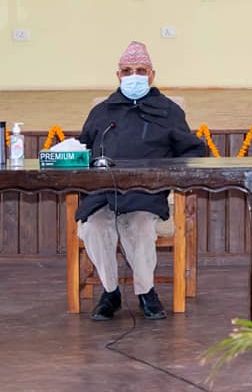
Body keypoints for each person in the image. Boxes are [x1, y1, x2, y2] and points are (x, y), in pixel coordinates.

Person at [76, 41, 206, 321]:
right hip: (102, 194)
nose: (133, 76)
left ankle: (147, 293)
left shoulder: (168, 111)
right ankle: (110, 293)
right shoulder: (102, 112)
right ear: (118, 76)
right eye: (127, 70)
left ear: (152, 75)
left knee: (139, 227)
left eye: (140, 70)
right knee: (94, 227)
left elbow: (191, 151)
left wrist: (176, 177)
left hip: (145, 194)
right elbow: (82, 150)